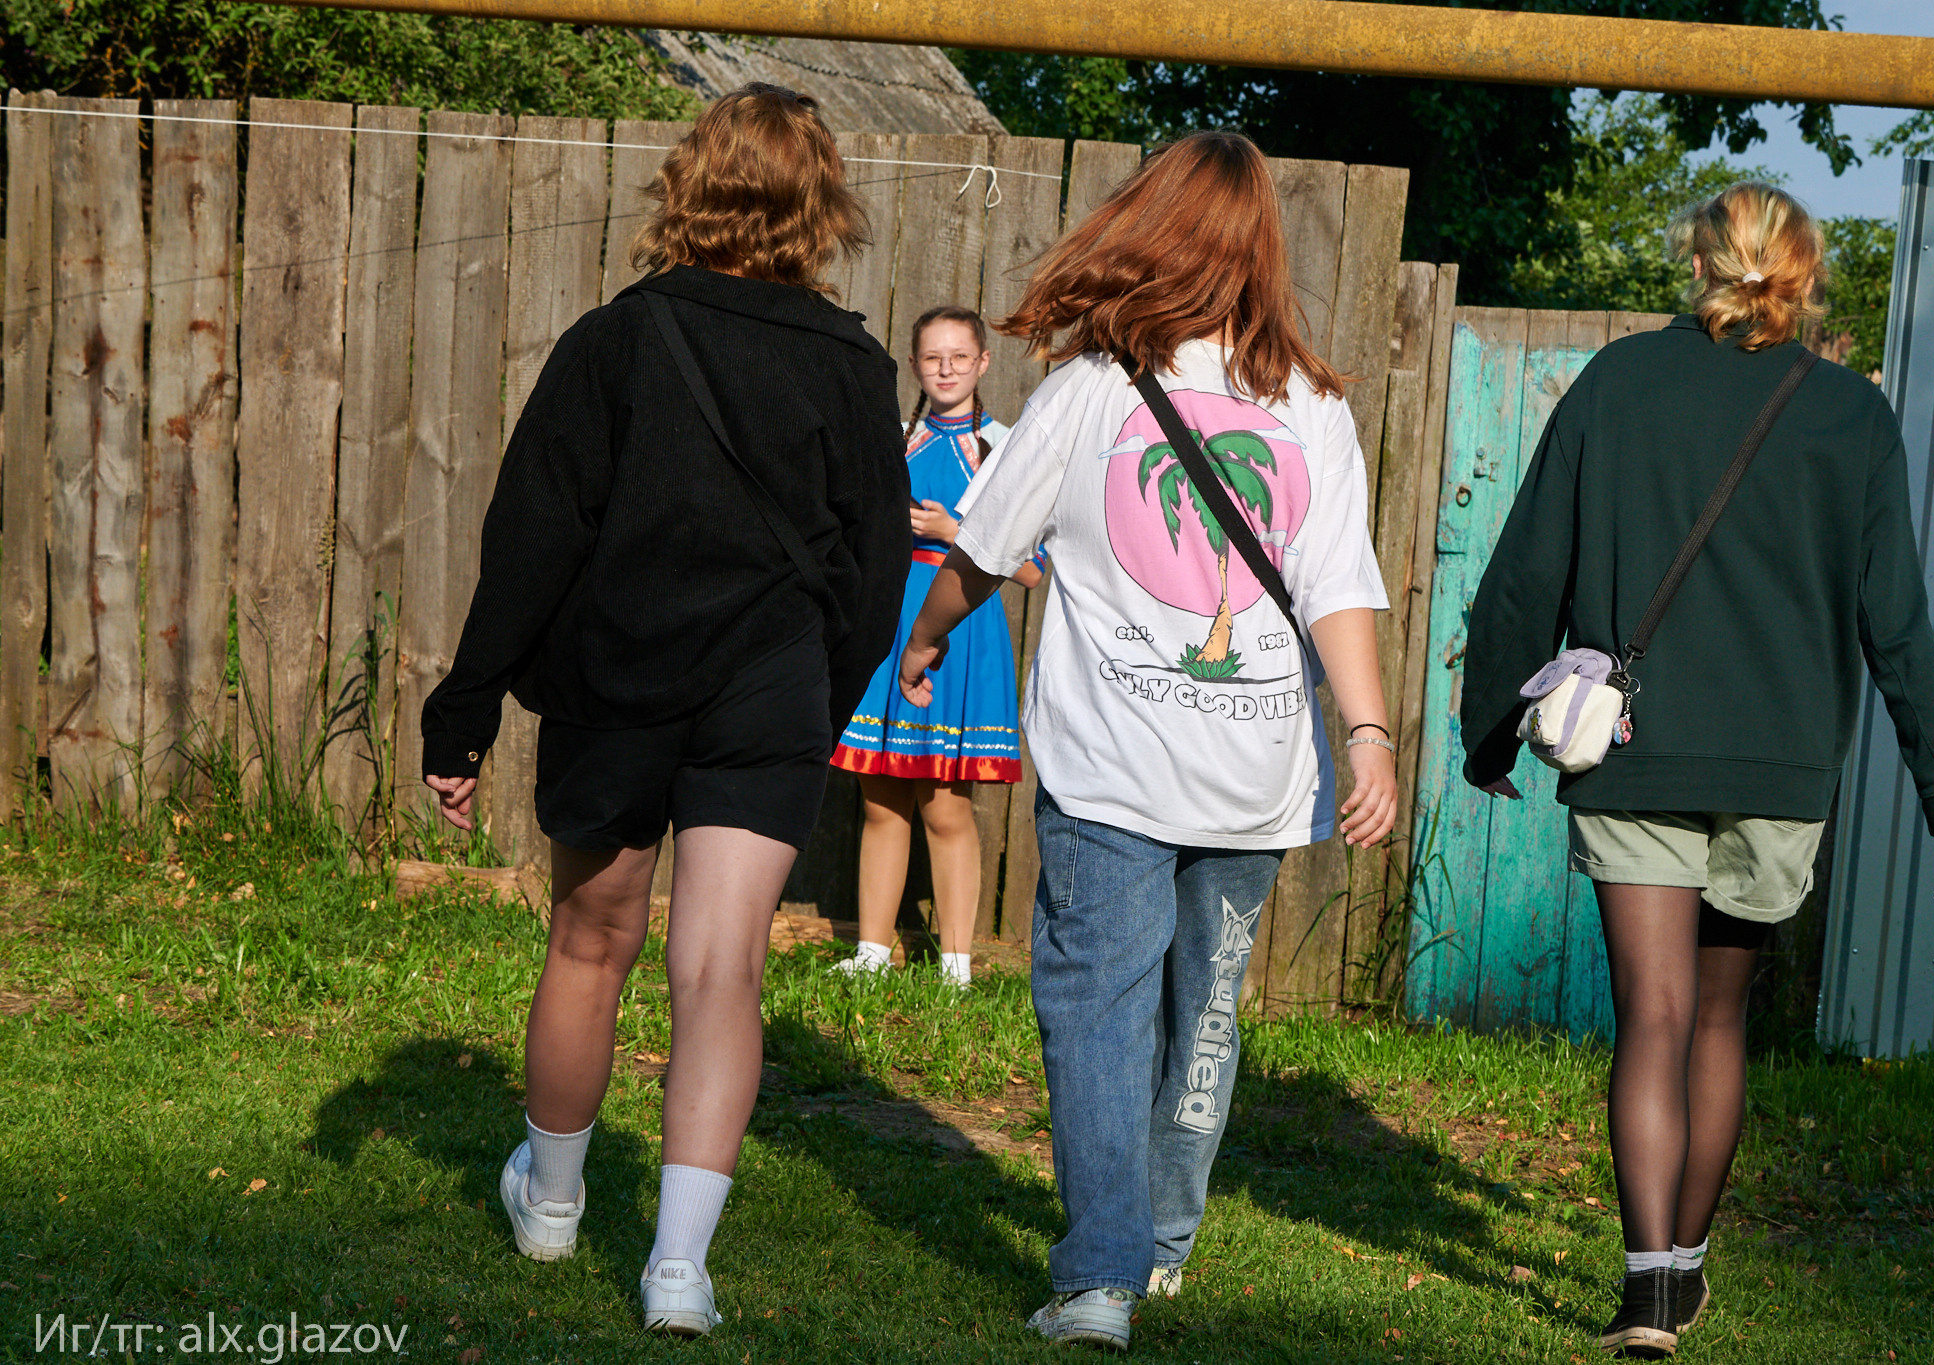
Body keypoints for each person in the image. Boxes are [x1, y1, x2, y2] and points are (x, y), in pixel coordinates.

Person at [1459, 183, 1934, 1359]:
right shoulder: (1849, 413)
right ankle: (1684, 1268)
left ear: (1695, 263)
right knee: (1713, 1018)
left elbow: (1521, 569)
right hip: (1778, 765)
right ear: (1802, 275)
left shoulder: (1613, 385)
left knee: (1646, 1013)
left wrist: (1486, 731)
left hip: (1634, 750)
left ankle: (1646, 1292)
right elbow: (1891, 618)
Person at [417, 84, 909, 1338]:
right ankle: (679, 1271)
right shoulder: (854, 364)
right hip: (768, 695)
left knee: (590, 945)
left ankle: (553, 1205)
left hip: (617, 684)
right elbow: (875, 571)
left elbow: (528, 543)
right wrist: (815, 696)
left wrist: (460, 716)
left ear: (684, 185)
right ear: (820, 207)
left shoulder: (616, 340)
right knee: (721, 971)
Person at [897, 131, 1400, 1351]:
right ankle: (1157, 1246)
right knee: (1205, 1010)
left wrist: (920, 642)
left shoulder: (1084, 393)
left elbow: (982, 548)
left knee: (1099, 1009)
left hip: (1109, 766)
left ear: (1141, 229)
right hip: (1256, 775)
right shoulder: (1313, 407)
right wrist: (1369, 734)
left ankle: (1101, 1278)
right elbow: (1337, 584)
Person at [830, 305, 1041, 987]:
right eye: (931, 358)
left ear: (983, 363)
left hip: (962, 629)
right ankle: (872, 952)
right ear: (914, 365)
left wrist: (959, 534)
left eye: (959, 356)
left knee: (945, 803)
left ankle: (956, 965)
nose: (945, 369)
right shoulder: (894, 441)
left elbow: (1037, 570)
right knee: (879, 795)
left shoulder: (1005, 448)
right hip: (888, 623)